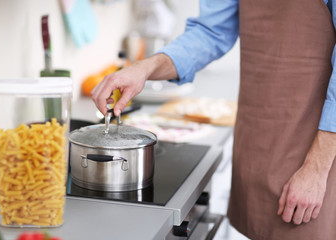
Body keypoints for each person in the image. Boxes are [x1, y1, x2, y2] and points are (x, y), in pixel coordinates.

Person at [91, 0, 336, 239]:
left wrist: (316, 168)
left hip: (320, 150)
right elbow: (210, 32)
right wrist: (145, 68)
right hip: (259, 137)